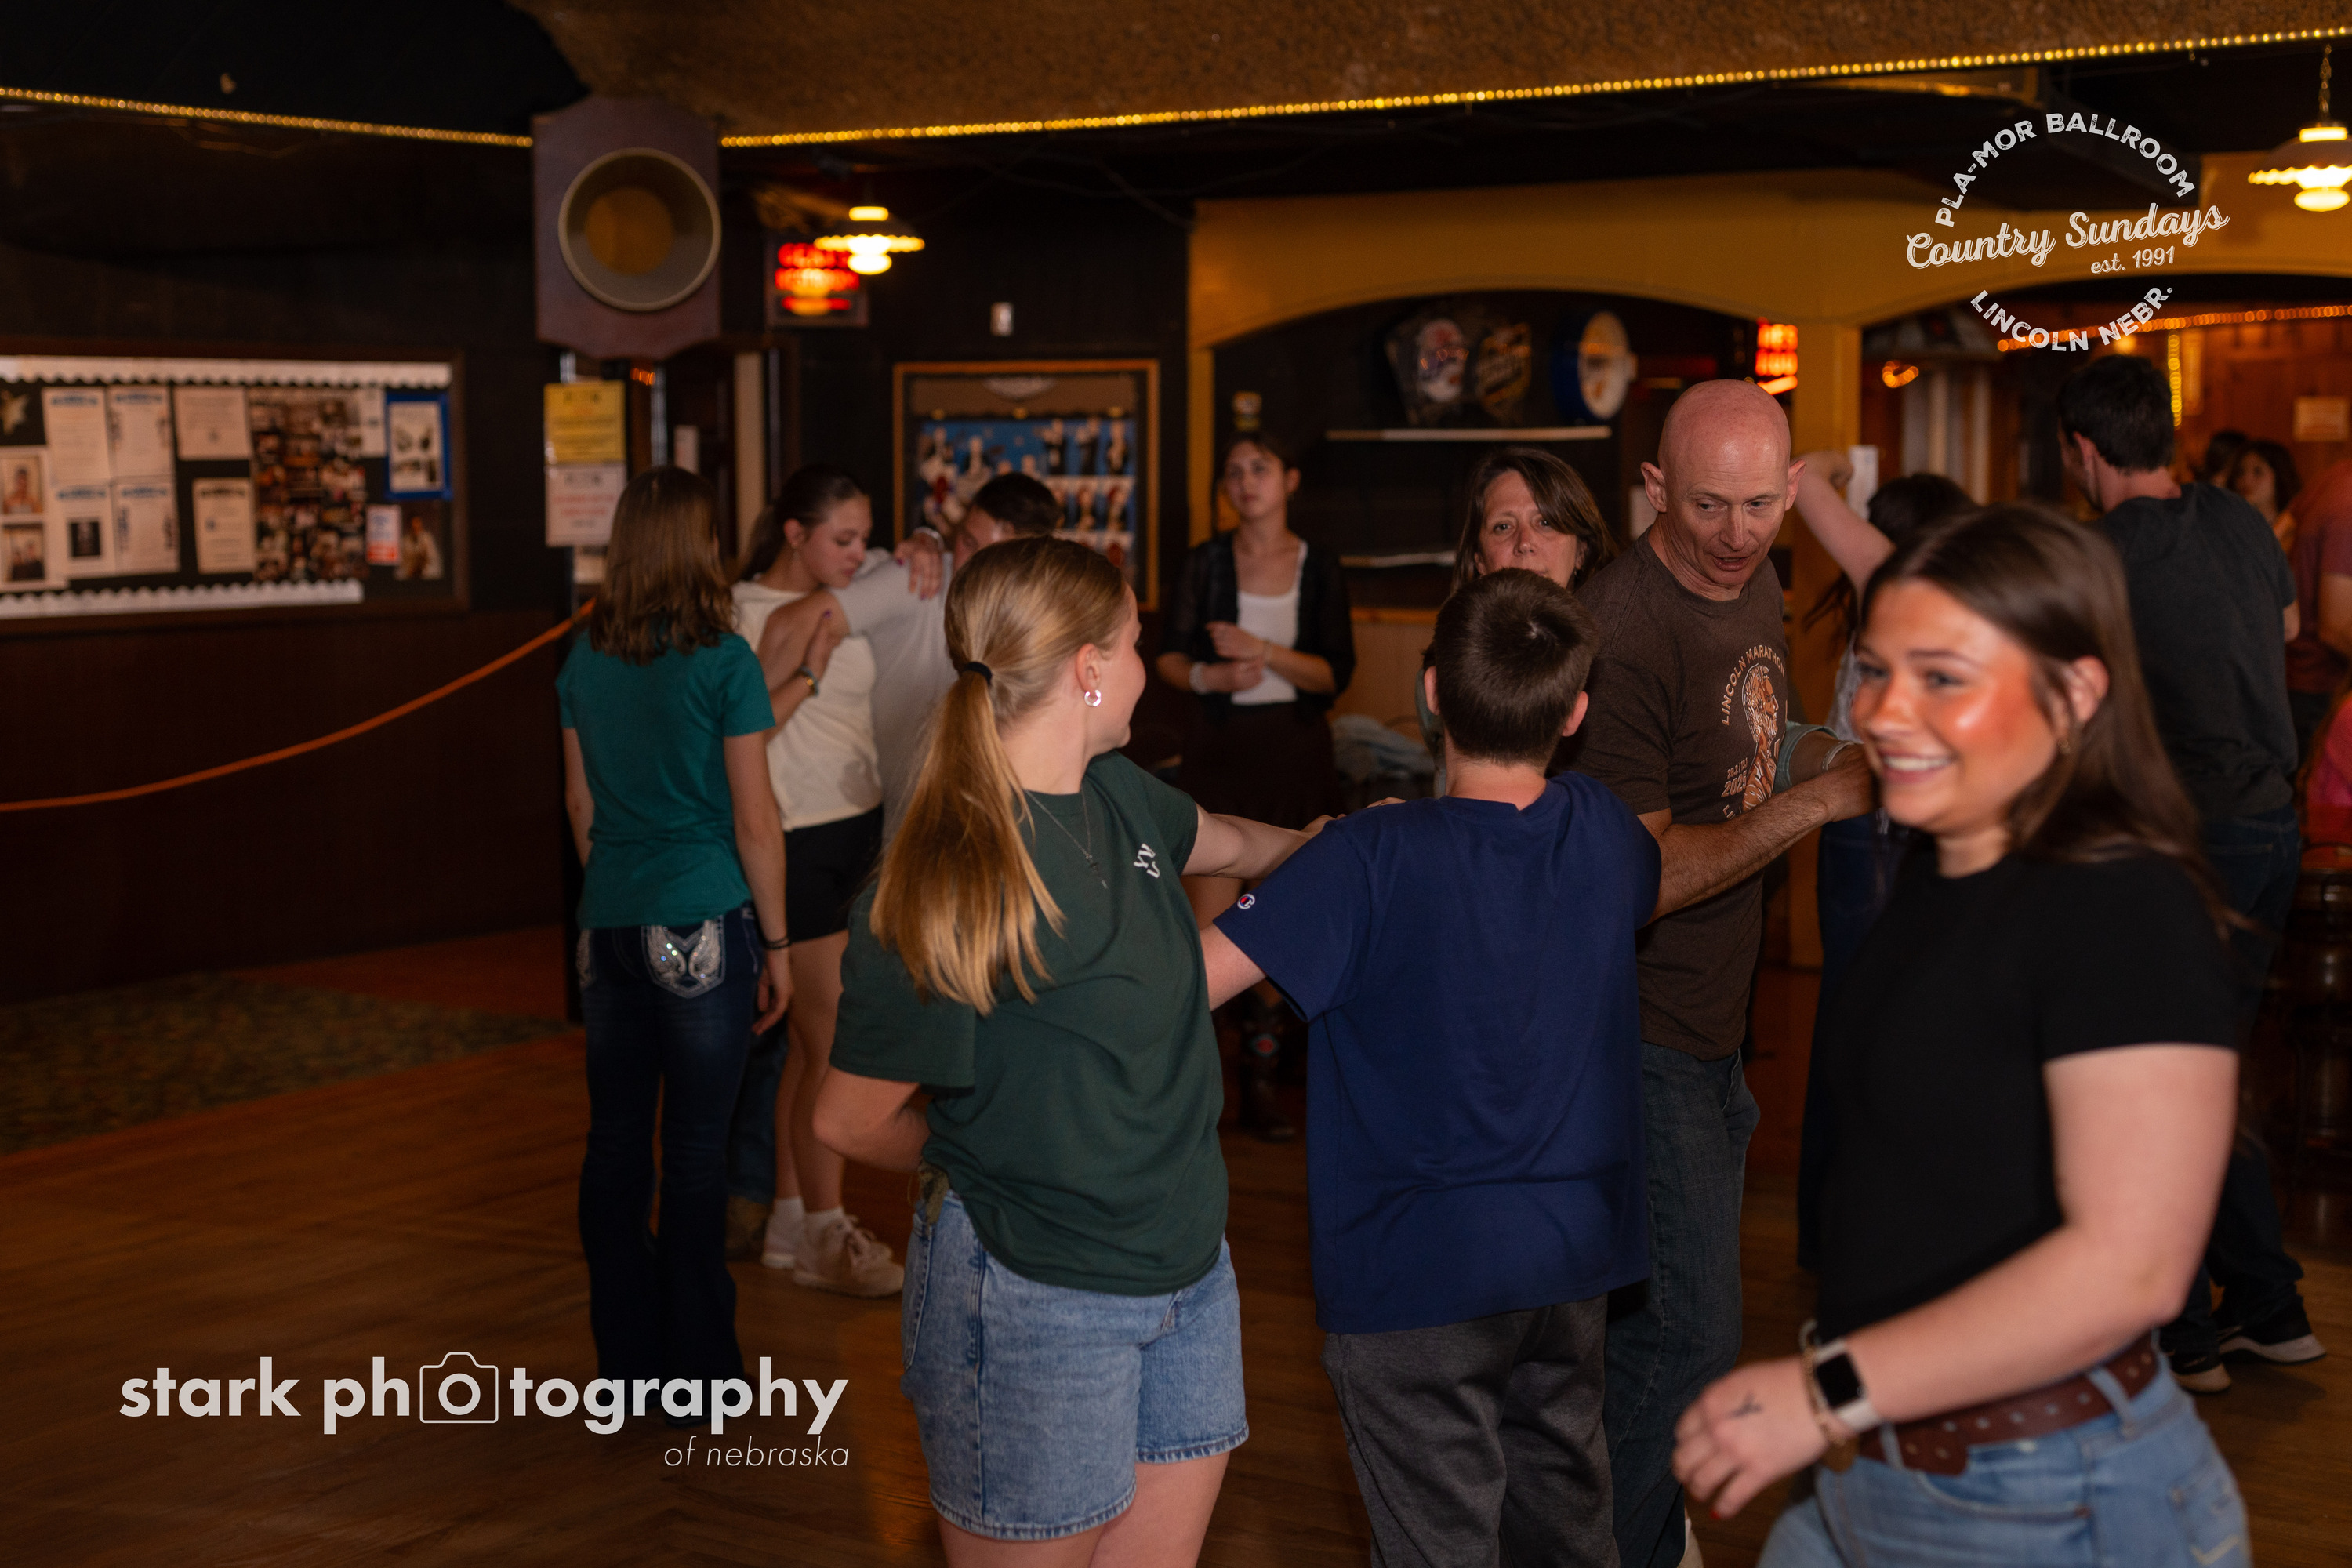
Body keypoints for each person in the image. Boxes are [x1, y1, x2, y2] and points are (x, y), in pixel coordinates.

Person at [1675, 505, 2249, 1568]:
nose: (1883, 712)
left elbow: (2132, 1269)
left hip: (2043, 1501)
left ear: (2074, 695)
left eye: (1942, 678)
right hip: (1869, 1472)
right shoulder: (1950, 862)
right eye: (1876, 670)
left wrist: (1823, 1391)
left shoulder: (2123, 902)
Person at [811, 536, 1319, 1565]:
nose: (1145, 668)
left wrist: (1341, 848)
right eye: (1132, 644)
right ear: (1089, 667)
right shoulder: (953, 877)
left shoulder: (1122, 795)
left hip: (1188, 1271)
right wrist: (986, 1156)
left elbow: (1233, 842)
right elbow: (848, 1119)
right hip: (1034, 1295)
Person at [1204, 568, 1657, 1567]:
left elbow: (1186, 987)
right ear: (1574, 712)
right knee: (1570, 1538)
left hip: (1417, 1272)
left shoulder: (1367, 855)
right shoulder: (1605, 827)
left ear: (1432, 692)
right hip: (1571, 1261)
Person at [1571, 380, 1876, 1568]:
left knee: (1661, 1333)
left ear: (1793, 489)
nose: (1737, 533)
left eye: (1759, 505)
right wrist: (1818, 803)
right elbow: (1639, 879)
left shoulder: (1751, 580)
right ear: (1654, 487)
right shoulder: (1625, 628)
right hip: (1637, 1027)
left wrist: (1840, 752)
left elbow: (1754, 744)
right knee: (1685, 1341)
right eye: (1707, 505)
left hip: (1715, 1024)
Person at [2057, 353, 2325, 1391]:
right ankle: (2265, 1302)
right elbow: (2287, 630)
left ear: (2085, 450)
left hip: (2186, 839)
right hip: (2271, 828)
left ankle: (2181, 1333)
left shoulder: (2101, 554)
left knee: (2153, 1085)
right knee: (2207, 1074)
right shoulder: (2243, 521)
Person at [556, 466, 791, 1417]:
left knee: (614, 1143)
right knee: (695, 1150)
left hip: (607, 921)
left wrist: (620, 885)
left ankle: (627, 1363)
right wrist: (777, 942)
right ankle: (701, 1374)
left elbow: (580, 803)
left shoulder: (584, 656)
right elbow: (757, 822)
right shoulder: (725, 661)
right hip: (701, 919)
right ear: (702, 546)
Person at [1785, 457, 1976, 1266]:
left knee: (1869, 1025)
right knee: (1861, 1027)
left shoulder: (1904, 604)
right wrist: (1829, 470)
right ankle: (1839, 1235)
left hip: (1882, 829)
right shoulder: (1896, 586)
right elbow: (1802, 481)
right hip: (1869, 830)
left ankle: (1842, 1231)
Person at [728, 463, 902, 1298]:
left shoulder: (849, 596)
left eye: (865, 536)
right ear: (795, 534)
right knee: (828, 1043)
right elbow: (743, 736)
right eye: (843, 537)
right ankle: (826, 1231)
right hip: (794, 837)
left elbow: (913, 565)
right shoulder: (743, 613)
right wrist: (811, 673)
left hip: (856, 827)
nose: (859, 552)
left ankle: (792, 1221)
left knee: (808, 1046)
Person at [1158, 434, 1357, 1140]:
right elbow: (1169, 656)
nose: (1245, 481)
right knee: (1208, 931)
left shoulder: (1319, 565)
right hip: (1219, 756)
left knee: (1282, 921)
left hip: (1295, 758)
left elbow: (1335, 675)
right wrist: (1210, 675)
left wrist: (1264, 651)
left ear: (1290, 479)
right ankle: (1195, 1095)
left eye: (1260, 468)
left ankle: (1262, 1089)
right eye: (1234, 471)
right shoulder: (1204, 561)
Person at [748, 470, 1062, 842]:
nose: (969, 564)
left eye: (992, 555)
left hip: (992, 824)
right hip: (891, 825)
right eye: (967, 541)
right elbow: (790, 622)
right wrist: (748, 728)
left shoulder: (1043, 617)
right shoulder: (917, 579)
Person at [1414, 445, 1614, 786]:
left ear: (1581, 551)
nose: (1524, 542)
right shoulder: (1443, 670)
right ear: (1479, 561)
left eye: (1545, 522)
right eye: (1503, 526)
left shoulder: (1618, 663)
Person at [2285, 458, 2352, 759]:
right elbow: (2335, 629)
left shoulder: (2335, 475)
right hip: (2323, 689)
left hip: (2300, 679)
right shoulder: (2347, 508)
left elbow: (2279, 534)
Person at [2226, 437, 2301, 550]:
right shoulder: (2231, 528)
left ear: (2279, 477)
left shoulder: (2292, 529)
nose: (2247, 480)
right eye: (2240, 472)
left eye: (2258, 472)